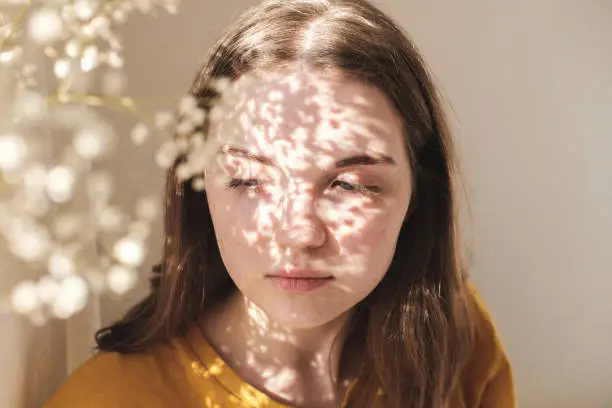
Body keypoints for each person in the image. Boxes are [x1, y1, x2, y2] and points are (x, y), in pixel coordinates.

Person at [44, 0, 516, 407]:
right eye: (249, 180)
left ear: (418, 192)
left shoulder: (455, 338)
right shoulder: (110, 399)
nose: (298, 232)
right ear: (198, 186)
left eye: (349, 184)